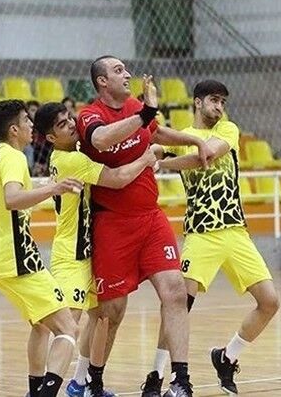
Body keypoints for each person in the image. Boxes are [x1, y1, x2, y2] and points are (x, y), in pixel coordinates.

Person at [75, 56, 212, 397]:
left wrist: (194, 141)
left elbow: (157, 131)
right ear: (102, 81)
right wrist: (144, 114)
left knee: (175, 292)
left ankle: (180, 381)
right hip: (112, 223)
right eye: (118, 70)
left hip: (150, 219)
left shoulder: (137, 109)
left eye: (126, 69)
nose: (127, 74)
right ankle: (94, 382)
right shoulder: (90, 115)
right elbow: (101, 140)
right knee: (111, 312)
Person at [152, 80, 280, 395]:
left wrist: (161, 164)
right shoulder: (182, 136)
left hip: (235, 230)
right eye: (213, 100)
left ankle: (227, 357)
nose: (219, 106)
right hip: (201, 234)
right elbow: (152, 147)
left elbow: (205, 155)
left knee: (270, 302)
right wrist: (149, 153)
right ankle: (156, 375)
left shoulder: (228, 129)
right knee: (178, 305)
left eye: (222, 101)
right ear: (197, 102)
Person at [34, 101, 159, 397]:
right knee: (68, 326)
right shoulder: (71, 160)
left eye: (70, 118)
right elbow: (117, 179)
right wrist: (145, 158)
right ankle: (43, 388)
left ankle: (80, 383)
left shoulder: (74, 152)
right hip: (71, 255)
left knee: (98, 318)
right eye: (62, 125)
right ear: (51, 138)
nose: (71, 125)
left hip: (91, 250)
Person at [0, 99, 81, 397]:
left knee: (41, 325)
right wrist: (54, 188)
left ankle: (34, 391)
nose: (31, 125)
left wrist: (46, 189)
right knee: (68, 328)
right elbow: (12, 199)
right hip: (18, 259)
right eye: (26, 120)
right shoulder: (14, 157)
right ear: (14, 129)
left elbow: (10, 202)